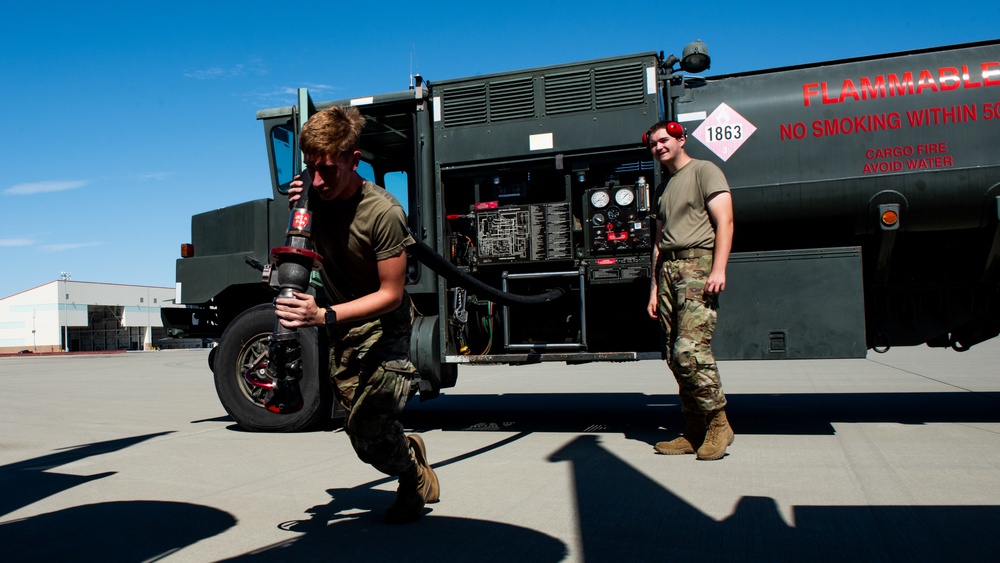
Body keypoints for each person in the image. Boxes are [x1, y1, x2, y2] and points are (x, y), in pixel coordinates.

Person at [274, 105, 439, 522]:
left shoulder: (382, 212)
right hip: (343, 330)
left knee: (365, 429)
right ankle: (407, 452)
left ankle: (412, 478)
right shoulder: (312, 195)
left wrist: (324, 316)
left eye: (327, 169)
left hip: (384, 328)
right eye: (310, 168)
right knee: (365, 435)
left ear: (353, 160)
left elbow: (392, 293)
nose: (317, 179)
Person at [644, 120, 735, 461]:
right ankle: (694, 428)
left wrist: (719, 268)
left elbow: (725, 220)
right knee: (672, 355)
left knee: (690, 351)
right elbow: (659, 239)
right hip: (668, 270)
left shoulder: (704, 171)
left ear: (681, 139)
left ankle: (718, 424)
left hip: (697, 267)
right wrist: (654, 288)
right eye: (653, 144)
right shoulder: (665, 187)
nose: (659, 147)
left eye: (665, 140)